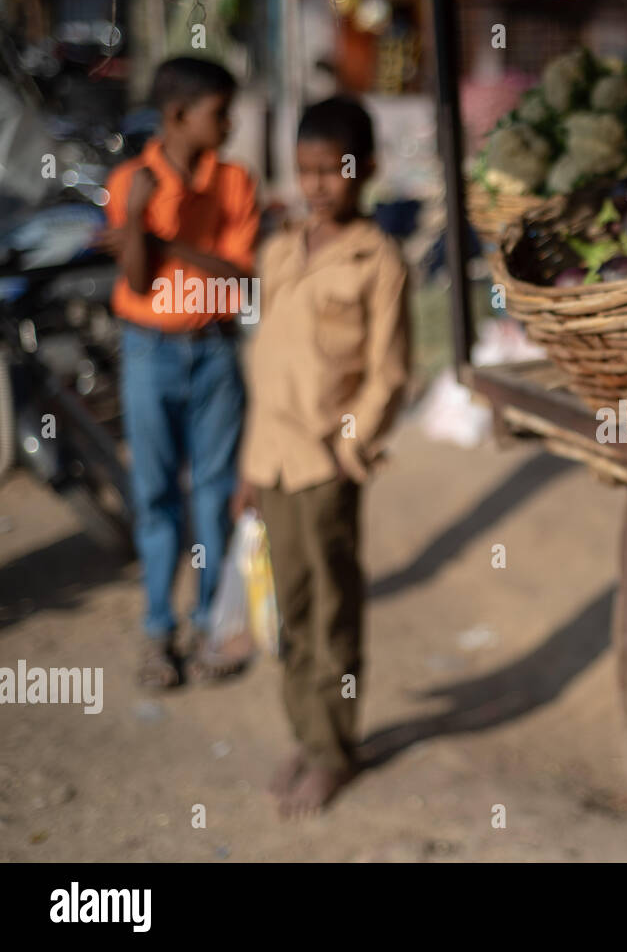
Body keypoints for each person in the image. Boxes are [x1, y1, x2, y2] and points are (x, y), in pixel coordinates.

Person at [231, 96, 410, 817]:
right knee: (290, 611)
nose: (317, 186)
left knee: (333, 612)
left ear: (366, 170)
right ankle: (306, 734)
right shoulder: (279, 251)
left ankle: (335, 750)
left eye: (332, 171)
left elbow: (389, 371)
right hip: (272, 462)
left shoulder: (379, 260)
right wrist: (247, 465)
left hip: (325, 468)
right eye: (305, 172)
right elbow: (265, 363)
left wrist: (349, 445)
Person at [100, 57, 259, 690]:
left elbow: (242, 279)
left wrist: (159, 241)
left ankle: (210, 622)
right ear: (177, 115)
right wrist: (137, 220)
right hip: (150, 351)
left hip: (215, 350)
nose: (230, 122)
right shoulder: (129, 182)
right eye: (220, 113)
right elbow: (138, 279)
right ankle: (159, 630)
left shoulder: (236, 182)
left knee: (214, 493)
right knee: (157, 495)